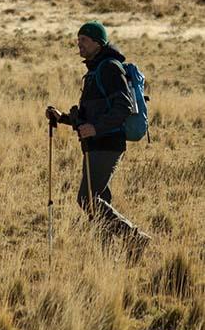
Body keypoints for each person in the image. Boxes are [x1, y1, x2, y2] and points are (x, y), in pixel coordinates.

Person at [45, 20, 150, 258]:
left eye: (84, 40)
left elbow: (124, 106)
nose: (78, 44)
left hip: (107, 144)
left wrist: (96, 128)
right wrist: (62, 118)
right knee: (100, 199)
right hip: (96, 144)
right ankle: (108, 256)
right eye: (78, 39)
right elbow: (91, 115)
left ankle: (134, 237)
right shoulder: (95, 70)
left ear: (98, 43)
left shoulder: (109, 68)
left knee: (87, 199)